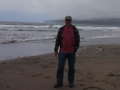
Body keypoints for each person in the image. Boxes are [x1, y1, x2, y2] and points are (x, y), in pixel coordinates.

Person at [54, 16, 80, 88]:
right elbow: (58, 41)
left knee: (71, 68)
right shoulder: (61, 29)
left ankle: (71, 81)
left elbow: (78, 40)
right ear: (65, 21)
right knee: (60, 67)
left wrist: (75, 48)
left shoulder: (74, 29)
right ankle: (59, 82)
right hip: (62, 52)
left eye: (69, 20)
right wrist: (56, 50)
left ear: (71, 21)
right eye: (66, 20)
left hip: (72, 52)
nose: (68, 21)